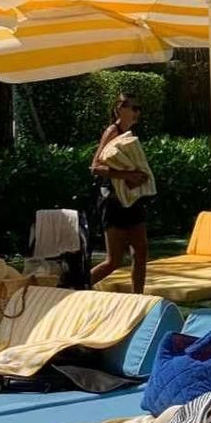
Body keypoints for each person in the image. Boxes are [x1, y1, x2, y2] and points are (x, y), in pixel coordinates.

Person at [90, 94, 151, 293]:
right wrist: (127, 175)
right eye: (133, 108)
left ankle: (138, 297)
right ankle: (74, 288)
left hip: (132, 200)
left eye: (139, 108)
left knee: (141, 251)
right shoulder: (112, 132)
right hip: (113, 201)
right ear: (120, 109)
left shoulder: (130, 134)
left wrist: (140, 177)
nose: (137, 112)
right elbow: (95, 167)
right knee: (114, 261)